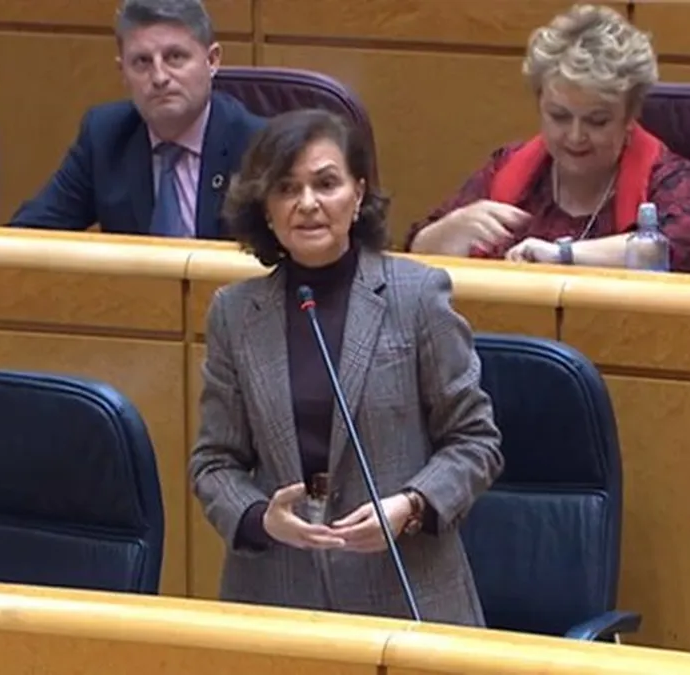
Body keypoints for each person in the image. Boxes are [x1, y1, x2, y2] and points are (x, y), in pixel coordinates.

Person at [189, 109, 504, 624]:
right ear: (265, 208)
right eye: (286, 188)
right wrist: (261, 518)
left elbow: (475, 441)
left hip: (404, 594)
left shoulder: (417, 297)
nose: (307, 203)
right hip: (279, 598)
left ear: (358, 195)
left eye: (326, 183)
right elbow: (214, 461)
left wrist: (410, 506)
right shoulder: (235, 313)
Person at [404, 4, 690, 272]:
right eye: (559, 116)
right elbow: (412, 257)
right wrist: (450, 230)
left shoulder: (667, 178)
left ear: (630, 115)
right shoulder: (508, 168)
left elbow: (684, 249)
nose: (576, 136)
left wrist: (563, 255)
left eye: (597, 121)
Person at [10, 0, 264, 238]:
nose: (159, 77)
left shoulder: (257, 147)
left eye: (175, 57)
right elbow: (27, 236)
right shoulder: (105, 136)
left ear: (212, 60)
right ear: (123, 72)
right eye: (142, 62)